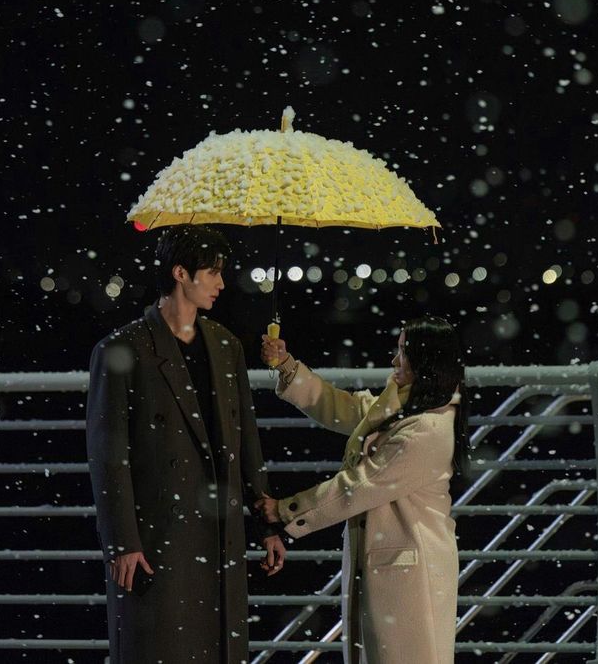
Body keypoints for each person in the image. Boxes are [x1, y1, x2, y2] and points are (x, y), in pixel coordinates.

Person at [86, 224, 286, 664]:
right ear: (181, 273)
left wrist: (267, 522)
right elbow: (108, 454)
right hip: (159, 533)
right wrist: (122, 541)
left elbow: (244, 439)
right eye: (212, 272)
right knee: (159, 647)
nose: (220, 283)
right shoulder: (123, 349)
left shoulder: (226, 345)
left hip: (220, 529)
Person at [257, 316, 468, 664]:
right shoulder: (406, 407)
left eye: (403, 353)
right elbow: (344, 407)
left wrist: (285, 510)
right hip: (398, 564)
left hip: (411, 573)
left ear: (426, 362)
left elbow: (357, 487)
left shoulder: (427, 429)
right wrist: (287, 366)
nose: (394, 361)